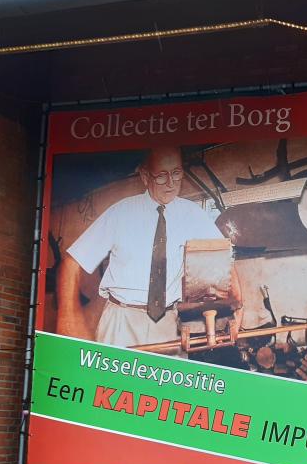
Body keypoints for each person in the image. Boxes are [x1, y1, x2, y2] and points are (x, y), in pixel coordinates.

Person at [57, 146, 226, 347]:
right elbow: (72, 262)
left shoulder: (194, 214)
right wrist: (68, 316)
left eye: (176, 173)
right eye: (161, 176)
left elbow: (224, 258)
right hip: (121, 321)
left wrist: (238, 307)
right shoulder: (121, 212)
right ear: (145, 176)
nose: (171, 183)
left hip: (168, 322)